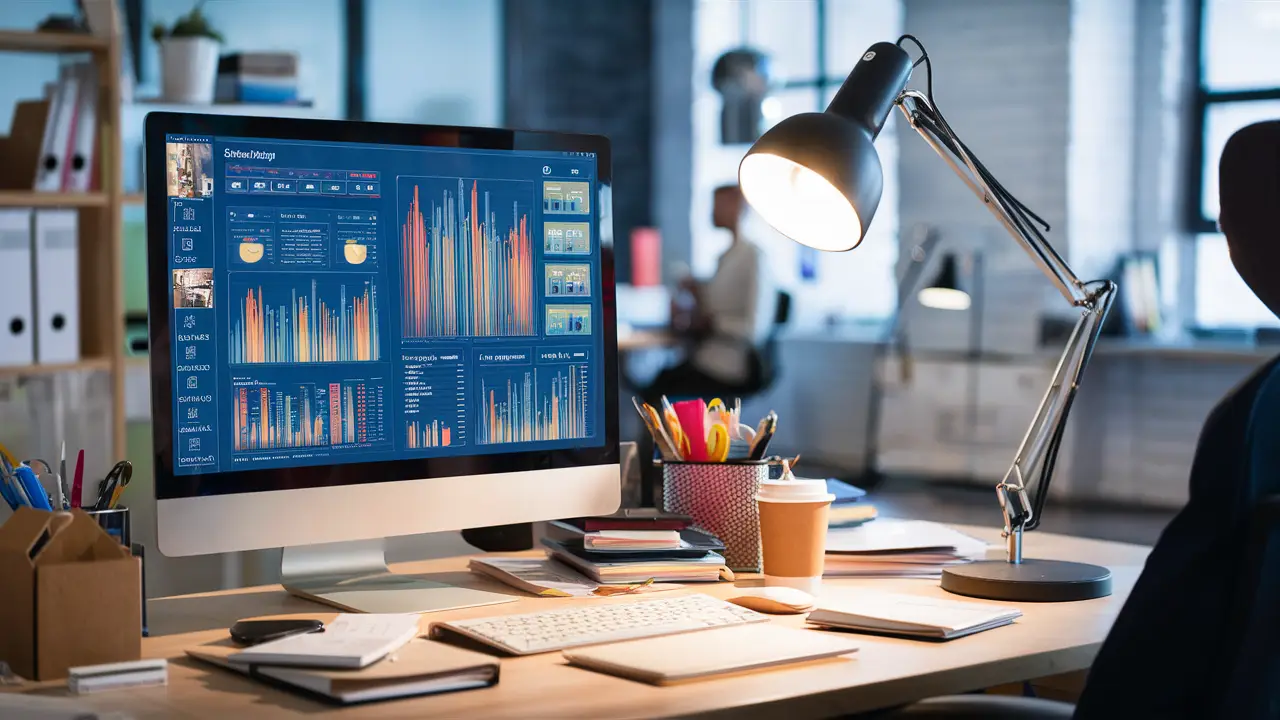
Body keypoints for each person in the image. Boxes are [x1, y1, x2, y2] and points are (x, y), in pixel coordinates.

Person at [647, 184, 776, 399]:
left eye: (718, 204)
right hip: (705, 356)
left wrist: (711, 323)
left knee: (659, 389)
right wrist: (696, 293)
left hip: (728, 364)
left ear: (737, 207)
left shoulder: (753, 257)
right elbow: (714, 305)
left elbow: (755, 329)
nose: (712, 211)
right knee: (659, 380)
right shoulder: (725, 257)